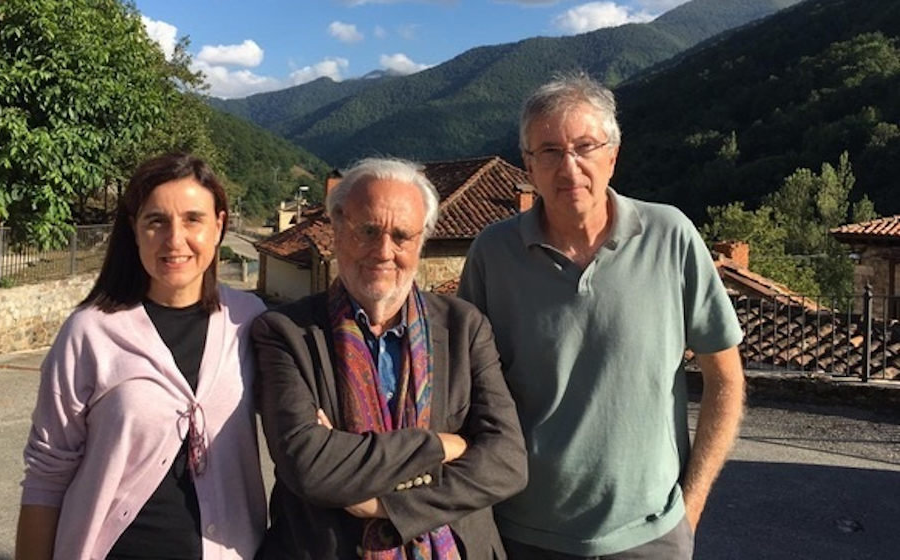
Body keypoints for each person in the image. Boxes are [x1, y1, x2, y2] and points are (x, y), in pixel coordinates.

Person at [457, 74, 745, 559]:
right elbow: (462, 388)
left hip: (650, 536)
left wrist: (689, 510)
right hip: (519, 533)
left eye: (585, 146)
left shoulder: (669, 236)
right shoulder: (493, 252)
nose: (569, 167)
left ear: (612, 154)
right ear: (528, 165)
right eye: (548, 151)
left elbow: (726, 378)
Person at [252, 157, 528, 559]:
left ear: (422, 241)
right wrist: (441, 446)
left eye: (401, 236)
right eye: (367, 231)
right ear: (337, 227)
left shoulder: (464, 327)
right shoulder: (286, 333)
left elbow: (506, 463)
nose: (384, 251)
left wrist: (383, 507)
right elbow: (309, 466)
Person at [15, 152, 266, 559]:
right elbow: (46, 475)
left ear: (219, 226)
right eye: (156, 221)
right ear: (134, 230)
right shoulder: (90, 332)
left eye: (192, 219)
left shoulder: (251, 322)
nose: (174, 240)